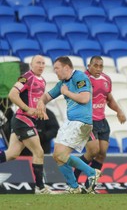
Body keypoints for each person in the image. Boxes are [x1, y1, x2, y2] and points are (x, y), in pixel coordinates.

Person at [36, 56, 101, 194]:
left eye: (57, 69)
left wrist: (66, 93)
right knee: (57, 155)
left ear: (66, 68)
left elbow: (85, 98)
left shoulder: (79, 77)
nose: (55, 72)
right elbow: (47, 96)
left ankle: (91, 173)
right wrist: (41, 102)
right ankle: (73, 186)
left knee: (61, 154)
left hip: (81, 121)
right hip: (71, 122)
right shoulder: (62, 83)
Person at [0, 55, 54, 194]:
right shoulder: (26, 77)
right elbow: (12, 94)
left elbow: (38, 100)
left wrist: (41, 110)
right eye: (38, 63)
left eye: (43, 63)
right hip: (23, 120)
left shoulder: (43, 81)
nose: (41, 65)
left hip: (28, 120)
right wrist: (27, 109)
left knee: (11, 154)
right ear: (31, 64)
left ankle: (40, 187)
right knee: (38, 152)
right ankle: (40, 188)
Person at [73, 56, 126, 191]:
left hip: (102, 120)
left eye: (100, 66)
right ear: (89, 66)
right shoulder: (82, 79)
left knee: (102, 154)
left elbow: (109, 99)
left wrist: (119, 111)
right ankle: (73, 179)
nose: (98, 68)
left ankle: (90, 186)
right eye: (95, 65)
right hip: (87, 121)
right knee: (93, 151)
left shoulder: (106, 79)